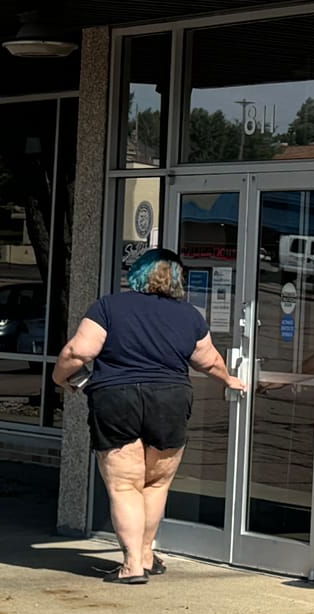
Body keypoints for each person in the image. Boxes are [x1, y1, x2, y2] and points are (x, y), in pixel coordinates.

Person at [54, 247, 246, 585]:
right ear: (177, 280)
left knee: (125, 485)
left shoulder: (109, 307)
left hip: (117, 399)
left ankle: (131, 566)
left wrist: (59, 378)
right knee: (156, 484)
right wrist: (229, 379)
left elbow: (78, 351)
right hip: (170, 399)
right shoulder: (190, 315)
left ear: (137, 275)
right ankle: (145, 554)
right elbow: (209, 360)